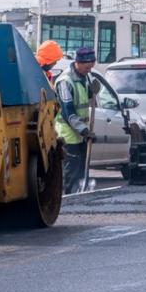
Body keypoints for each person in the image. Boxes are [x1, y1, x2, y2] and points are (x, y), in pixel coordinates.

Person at [54, 47, 99, 194]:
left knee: (81, 170)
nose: (89, 70)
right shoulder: (65, 82)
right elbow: (68, 113)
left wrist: (92, 92)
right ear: (78, 63)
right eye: (87, 67)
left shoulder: (85, 77)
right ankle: (68, 199)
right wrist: (85, 130)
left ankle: (79, 197)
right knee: (71, 171)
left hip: (81, 135)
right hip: (68, 135)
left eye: (91, 67)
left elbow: (86, 100)